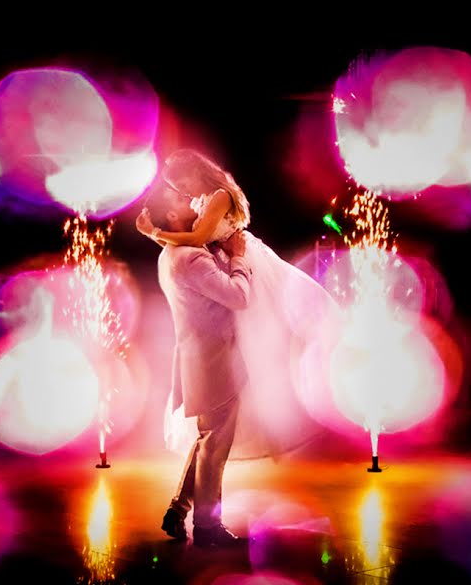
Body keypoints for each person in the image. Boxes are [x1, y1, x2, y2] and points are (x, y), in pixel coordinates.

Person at [137, 149, 339, 460]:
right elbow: (191, 239)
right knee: (243, 349)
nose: (183, 190)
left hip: (247, 263)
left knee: (265, 337)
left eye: (182, 181)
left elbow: (198, 236)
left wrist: (154, 233)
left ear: (198, 171)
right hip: (229, 263)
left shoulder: (219, 195)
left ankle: (283, 406)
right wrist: (161, 238)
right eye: (176, 187)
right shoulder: (200, 200)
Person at [143, 183, 251, 548]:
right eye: (178, 199)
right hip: (214, 358)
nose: (189, 199)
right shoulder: (193, 258)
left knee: (208, 439)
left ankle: (179, 507)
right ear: (173, 216)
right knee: (216, 446)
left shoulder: (171, 254)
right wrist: (237, 258)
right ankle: (208, 528)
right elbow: (238, 297)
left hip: (197, 355)